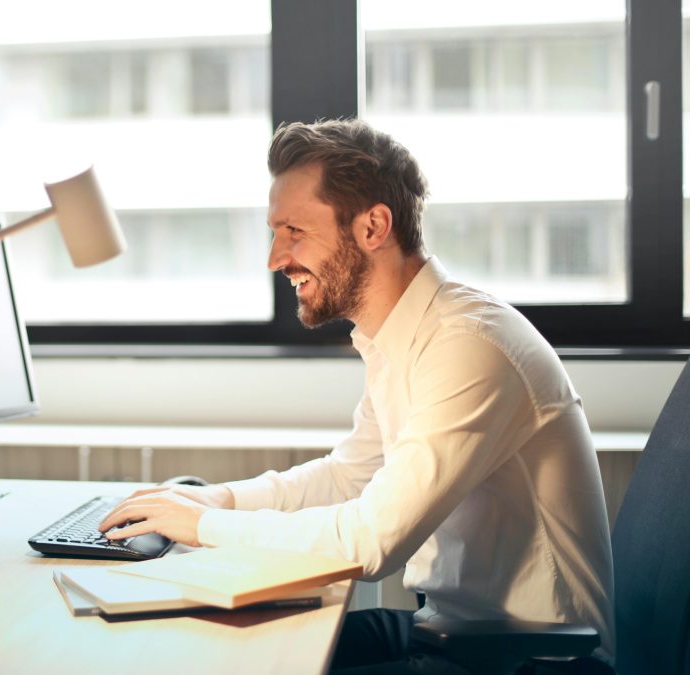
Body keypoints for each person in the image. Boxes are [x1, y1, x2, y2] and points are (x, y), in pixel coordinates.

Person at [98, 119, 615, 674]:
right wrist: (218, 501)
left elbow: (371, 542)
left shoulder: (469, 347)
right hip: (450, 631)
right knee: (221, 647)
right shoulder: (401, 336)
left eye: (294, 230)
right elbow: (350, 476)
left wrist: (200, 528)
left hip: (531, 658)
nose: (276, 258)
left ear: (373, 227)